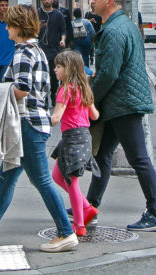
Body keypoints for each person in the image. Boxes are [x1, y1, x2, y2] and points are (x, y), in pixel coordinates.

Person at [0, 4, 79, 253]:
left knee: (42, 180)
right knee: (6, 177)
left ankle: (66, 232)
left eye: (9, 24)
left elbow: (22, 89)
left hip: (27, 124)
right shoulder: (34, 50)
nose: (5, 27)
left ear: (17, 26)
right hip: (33, 123)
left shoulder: (23, 52)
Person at [86, 0, 156, 231]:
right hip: (120, 101)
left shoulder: (113, 30)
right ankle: (89, 206)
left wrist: (90, 98)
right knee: (102, 155)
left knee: (138, 158)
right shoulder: (126, 25)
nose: (92, 1)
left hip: (123, 102)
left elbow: (109, 72)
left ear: (109, 1)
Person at [50, 49, 99, 236]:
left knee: (71, 182)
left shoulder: (64, 90)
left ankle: (79, 225)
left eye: (59, 66)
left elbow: (56, 117)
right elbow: (95, 115)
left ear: (69, 69)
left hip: (71, 138)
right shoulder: (84, 89)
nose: (55, 70)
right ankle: (87, 208)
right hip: (83, 136)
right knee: (58, 176)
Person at [38, 0, 68, 98]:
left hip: (54, 49)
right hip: (40, 49)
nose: (47, 1)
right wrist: (39, 27)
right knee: (41, 75)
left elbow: (63, 30)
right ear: (41, 0)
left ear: (52, 0)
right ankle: (43, 97)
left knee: (54, 74)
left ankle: (54, 96)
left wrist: (63, 40)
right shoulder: (37, 14)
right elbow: (31, 31)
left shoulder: (58, 14)